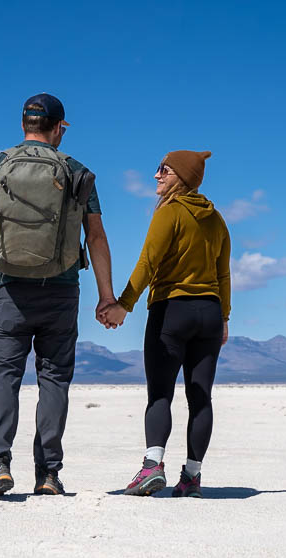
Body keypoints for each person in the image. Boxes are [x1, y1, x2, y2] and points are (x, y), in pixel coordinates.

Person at [0, 93, 116, 498]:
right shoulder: (76, 171)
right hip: (61, 290)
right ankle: (48, 473)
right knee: (53, 380)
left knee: (4, 376)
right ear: (58, 129)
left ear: (23, 126)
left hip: (9, 290)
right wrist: (106, 296)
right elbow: (97, 237)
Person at [98, 150, 230, 498]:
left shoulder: (169, 212)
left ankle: (152, 468)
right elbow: (223, 274)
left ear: (182, 177)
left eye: (164, 170)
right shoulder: (217, 219)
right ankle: (192, 478)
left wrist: (123, 305)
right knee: (200, 398)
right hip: (210, 314)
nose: (156, 175)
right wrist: (225, 317)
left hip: (172, 310)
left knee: (160, 394)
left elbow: (148, 262)